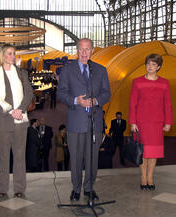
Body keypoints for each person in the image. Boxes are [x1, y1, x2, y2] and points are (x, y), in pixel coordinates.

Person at [57, 38, 111, 201]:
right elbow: (61, 93)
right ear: (77, 50)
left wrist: (96, 101)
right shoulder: (67, 70)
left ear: (92, 51)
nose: (84, 52)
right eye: (81, 49)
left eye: (87, 49)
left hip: (94, 123)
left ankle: (89, 188)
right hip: (75, 122)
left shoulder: (100, 70)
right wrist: (76, 100)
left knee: (92, 158)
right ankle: (76, 188)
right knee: (76, 158)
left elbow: (106, 93)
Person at [0, 44, 33, 198]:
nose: (13, 56)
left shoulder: (22, 73)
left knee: (20, 156)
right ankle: (2, 188)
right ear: (2, 56)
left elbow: (29, 94)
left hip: (20, 120)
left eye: (14, 53)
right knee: (3, 156)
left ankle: (19, 189)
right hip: (3, 121)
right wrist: (10, 110)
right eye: (9, 53)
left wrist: (20, 110)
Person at [129, 53, 173, 190]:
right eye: (148, 63)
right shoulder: (137, 82)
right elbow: (132, 104)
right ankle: (143, 177)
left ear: (159, 67)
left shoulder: (164, 83)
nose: (150, 66)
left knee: (154, 153)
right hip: (140, 123)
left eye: (154, 64)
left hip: (157, 123)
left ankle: (150, 177)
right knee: (142, 152)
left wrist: (168, 122)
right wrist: (132, 122)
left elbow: (168, 104)